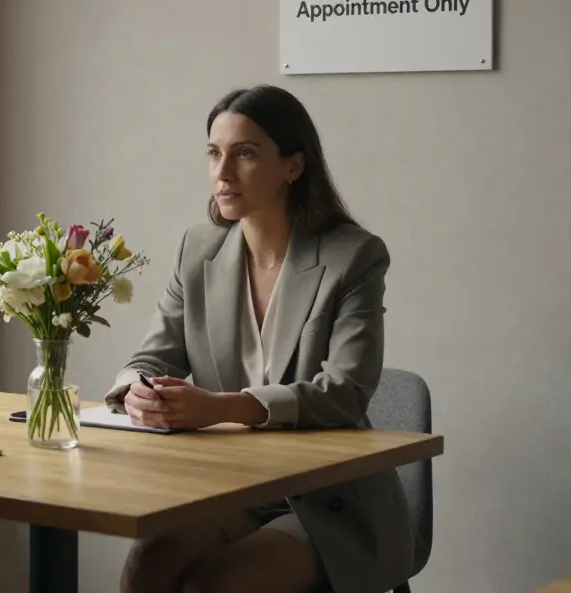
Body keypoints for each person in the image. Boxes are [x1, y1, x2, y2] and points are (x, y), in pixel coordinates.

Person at [106, 85, 415, 593]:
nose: (222, 173)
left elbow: (345, 391)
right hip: (231, 488)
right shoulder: (197, 249)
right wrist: (137, 387)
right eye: (214, 153)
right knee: (146, 570)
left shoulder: (354, 257)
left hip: (329, 501)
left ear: (293, 166)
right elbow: (152, 354)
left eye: (244, 153)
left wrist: (222, 408)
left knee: (216, 586)